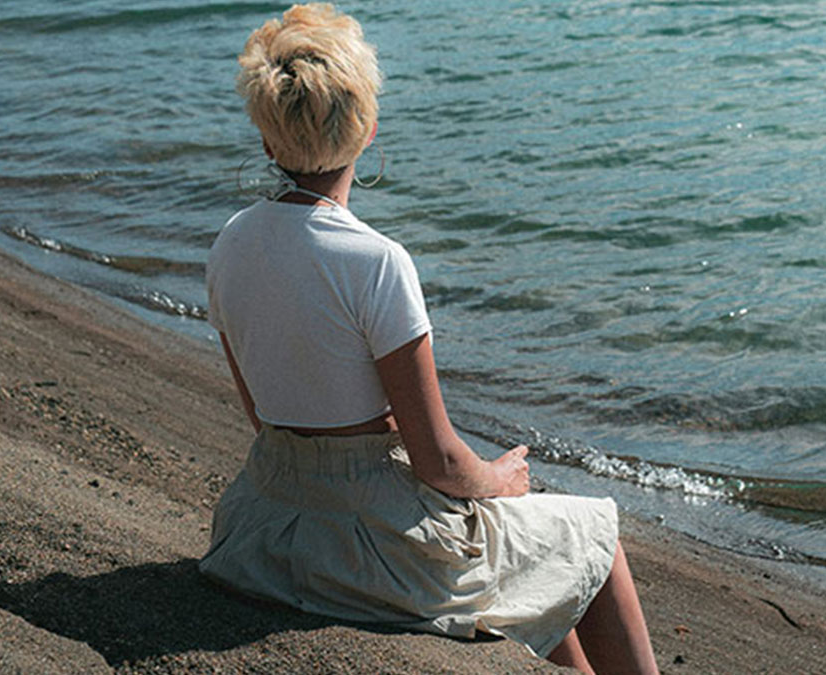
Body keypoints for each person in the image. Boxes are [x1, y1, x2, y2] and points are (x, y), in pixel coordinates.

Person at [200, 5, 658, 673]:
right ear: (367, 131)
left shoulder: (230, 243)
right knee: (594, 538)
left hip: (262, 528)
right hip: (364, 547)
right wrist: (498, 478)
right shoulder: (376, 262)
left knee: (527, 555)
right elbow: (438, 460)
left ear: (269, 142)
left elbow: (266, 415)